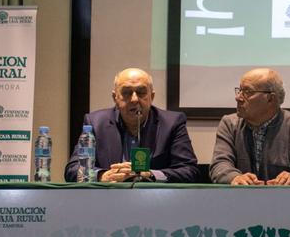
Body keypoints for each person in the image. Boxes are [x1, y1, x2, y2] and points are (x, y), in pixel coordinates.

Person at [64, 67, 200, 183]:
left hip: (156, 202)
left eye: (141, 92)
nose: (135, 99)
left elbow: (189, 171)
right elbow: (73, 170)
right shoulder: (95, 122)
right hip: (108, 202)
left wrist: (150, 175)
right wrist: (102, 176)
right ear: (115, 98)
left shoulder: (172, 123)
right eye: (127, 93)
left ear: (151, 97)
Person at [209, 68, 290, 185]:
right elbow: (219, 165)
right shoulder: (229, 124)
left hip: (284, 202)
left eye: (247, 92)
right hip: (239, 201)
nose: (238, 97)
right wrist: (234, 178)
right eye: (239, 90)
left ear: (271, 98)